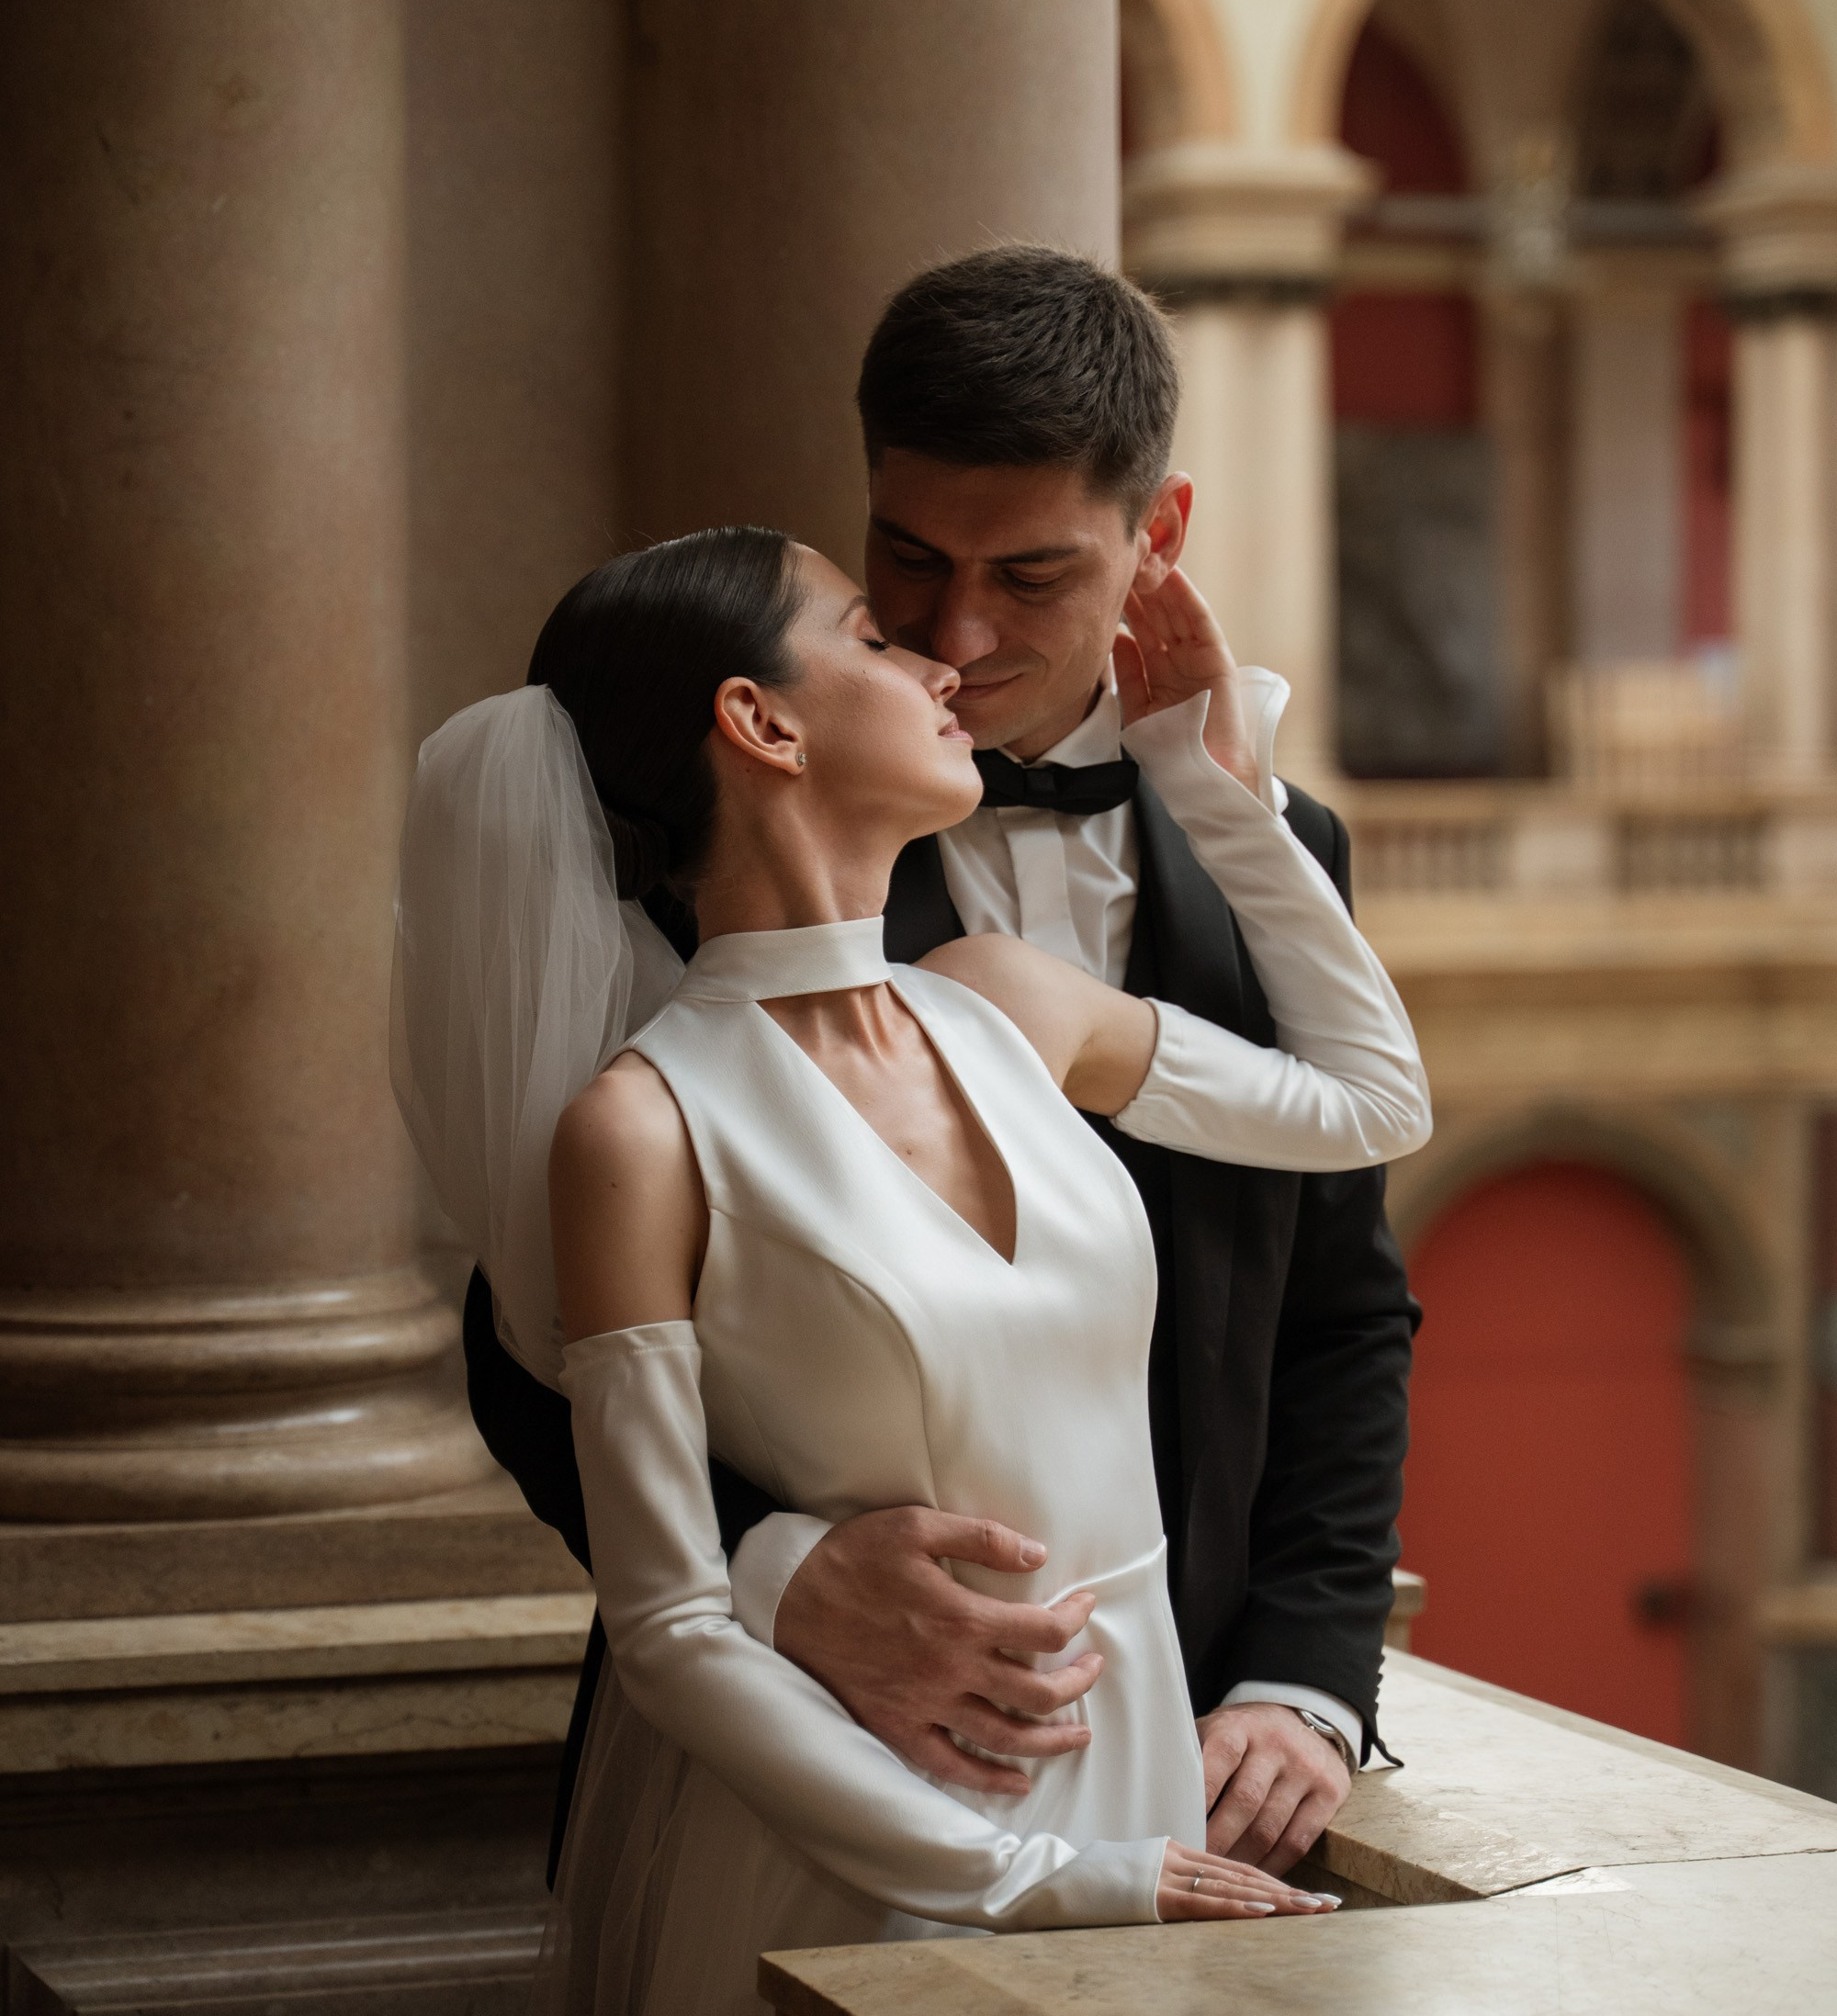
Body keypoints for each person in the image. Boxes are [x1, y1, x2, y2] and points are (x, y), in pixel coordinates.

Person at [393, 520, 1429, 2016]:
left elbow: (1366, 1102)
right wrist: (1035, 1875)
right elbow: (667, 1626)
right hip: (865, 1829)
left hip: (1136, 1769)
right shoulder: (638, 1130)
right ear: (762, 723)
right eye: (877, 627)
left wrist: (1211, 787)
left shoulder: (1002, 1008)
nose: (945, 660)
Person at [466, 250, 1422, 1891]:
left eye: (1033, 576)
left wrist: (1307, 1681)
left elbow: (1341, 1306)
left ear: (1157, 541)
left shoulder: (1279, 851)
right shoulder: (673, 862)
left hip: (1171, 1739)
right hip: (818, 1737)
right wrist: (783, 1567)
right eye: (905, 566)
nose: (957, 638)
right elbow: (526, 1335)